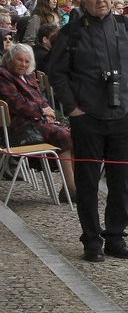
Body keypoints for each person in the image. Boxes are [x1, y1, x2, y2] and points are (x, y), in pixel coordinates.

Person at [48, 0, 128, 262]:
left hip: (123, 116)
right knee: (88, 181)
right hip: (88, 117)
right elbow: (57, 73)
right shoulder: (72, 33)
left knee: (121, 181)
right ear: (82, 0)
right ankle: (91, 239)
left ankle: (115, 237)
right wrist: (72, 107)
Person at [0, 44, 75, 199]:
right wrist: (41, 111)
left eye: (27, 61)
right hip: (19, 126)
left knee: (76, 133)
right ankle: (71, 189)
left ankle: (71, 186)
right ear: (10, 60)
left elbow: (40, 98)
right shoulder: (3, 75)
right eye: (19, 60)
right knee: (63, 135)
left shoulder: (28, 75)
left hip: (37, 121)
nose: (23, 64)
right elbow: (16, 103)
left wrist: (47, 110)